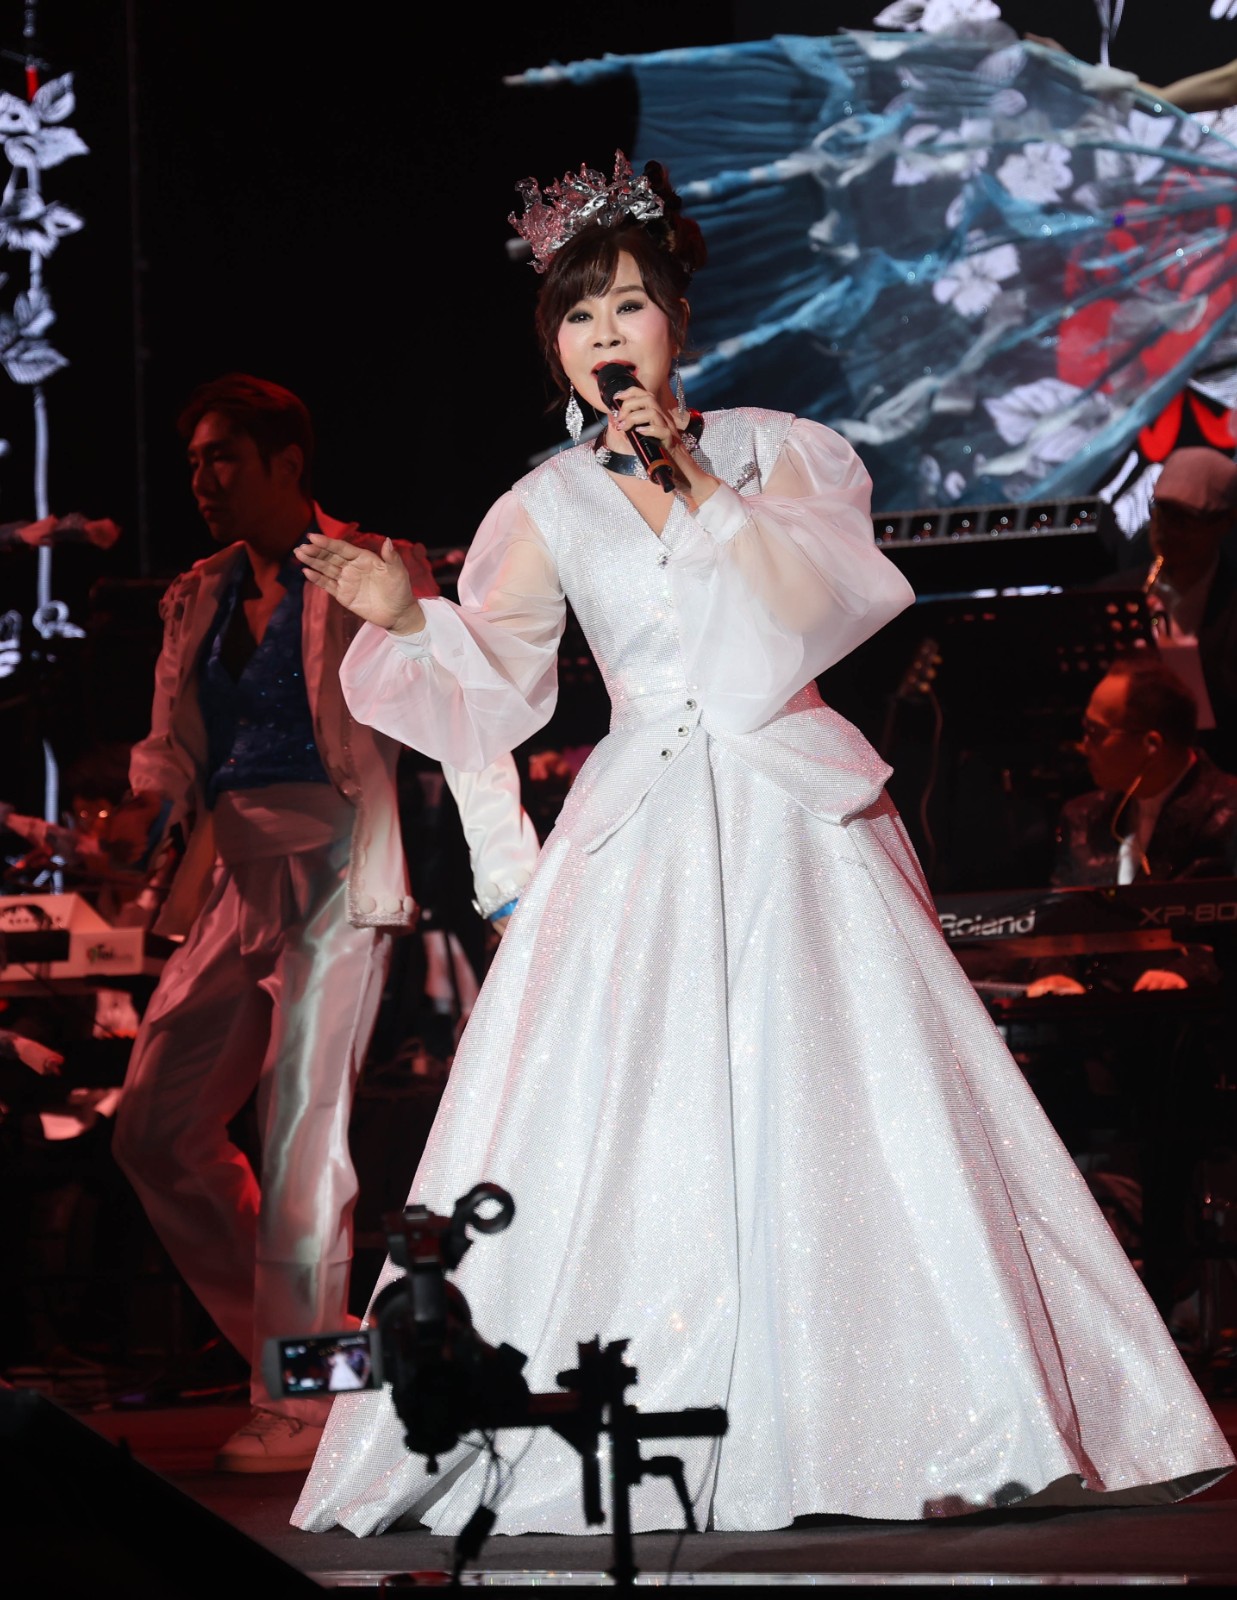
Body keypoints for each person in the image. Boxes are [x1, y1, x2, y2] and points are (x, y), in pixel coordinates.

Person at [290, 155, 1233, 1537]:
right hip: (643, 825)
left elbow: (813, 612)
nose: (604, 334)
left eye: (627, 304)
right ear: (552, 346)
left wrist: (690, 479)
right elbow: (498, 688)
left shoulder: (786, 452)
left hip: (796, 812)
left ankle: (970, 1412)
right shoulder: (545, 503)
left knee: (874, 1103)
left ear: (677, 318)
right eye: (576, 315)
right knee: (631, 1113)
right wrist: (407, 616)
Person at [109, 374, 541, 1473]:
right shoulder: (201, 591)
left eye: (223, 457)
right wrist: (142, 813)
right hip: (232, 870)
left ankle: (300, 1396)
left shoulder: (372, 563)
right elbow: (171, 747)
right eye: (194, 461)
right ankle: (322, 1357)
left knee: (302, 1128)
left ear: (287, 462)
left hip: (339, 860)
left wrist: (507, 874)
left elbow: (458, 710)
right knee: (153, 1127)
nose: (203, 480)